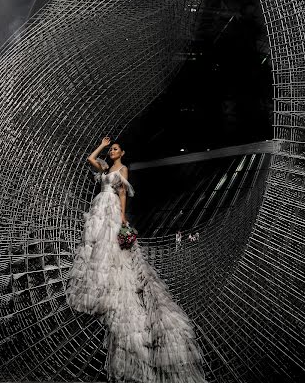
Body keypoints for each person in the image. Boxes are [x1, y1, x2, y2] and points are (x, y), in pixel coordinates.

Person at [65, 136, 206, 383]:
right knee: (96, 244)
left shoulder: (122, 169)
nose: (111, 152)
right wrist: (101, 144)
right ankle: (101, 276)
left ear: (122, 152)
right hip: (99, 207)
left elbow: (122, 195)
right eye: (110, 150)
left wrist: (122, 219)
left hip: (110, 208)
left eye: (114, 149)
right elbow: (90, 159)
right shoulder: (106, 168)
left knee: (112, 246)